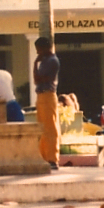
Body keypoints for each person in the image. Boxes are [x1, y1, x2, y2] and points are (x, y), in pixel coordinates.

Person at [33, 37, 60, 170]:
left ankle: (52, 158)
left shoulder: (52, 61)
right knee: (42, 127)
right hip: (41, 95)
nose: (37, 52)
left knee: (50, 127)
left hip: (48, 94)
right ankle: (43, 156)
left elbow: (39, 79)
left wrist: (35, 65)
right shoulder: (44, 61)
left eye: (38, 49)